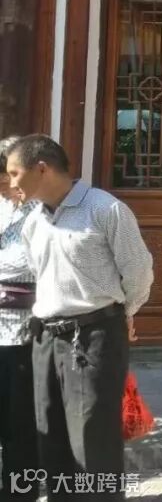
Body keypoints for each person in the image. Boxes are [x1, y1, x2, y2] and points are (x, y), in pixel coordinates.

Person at [7, 135, 153, 502]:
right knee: (51, 436)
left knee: (93, 440)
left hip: (94, 336)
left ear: (42, 169)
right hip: (45, 338)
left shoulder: (105, 210)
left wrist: (124, 314)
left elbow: (138, 272)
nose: (10, 182)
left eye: (14, 173)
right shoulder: (33, 222)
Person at [0, 137, 40, 500]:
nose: (7, 185)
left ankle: (20, 493)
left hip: (24, 333)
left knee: (20, 422)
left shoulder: (42, 212)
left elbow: (30, 264)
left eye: (10, 177)